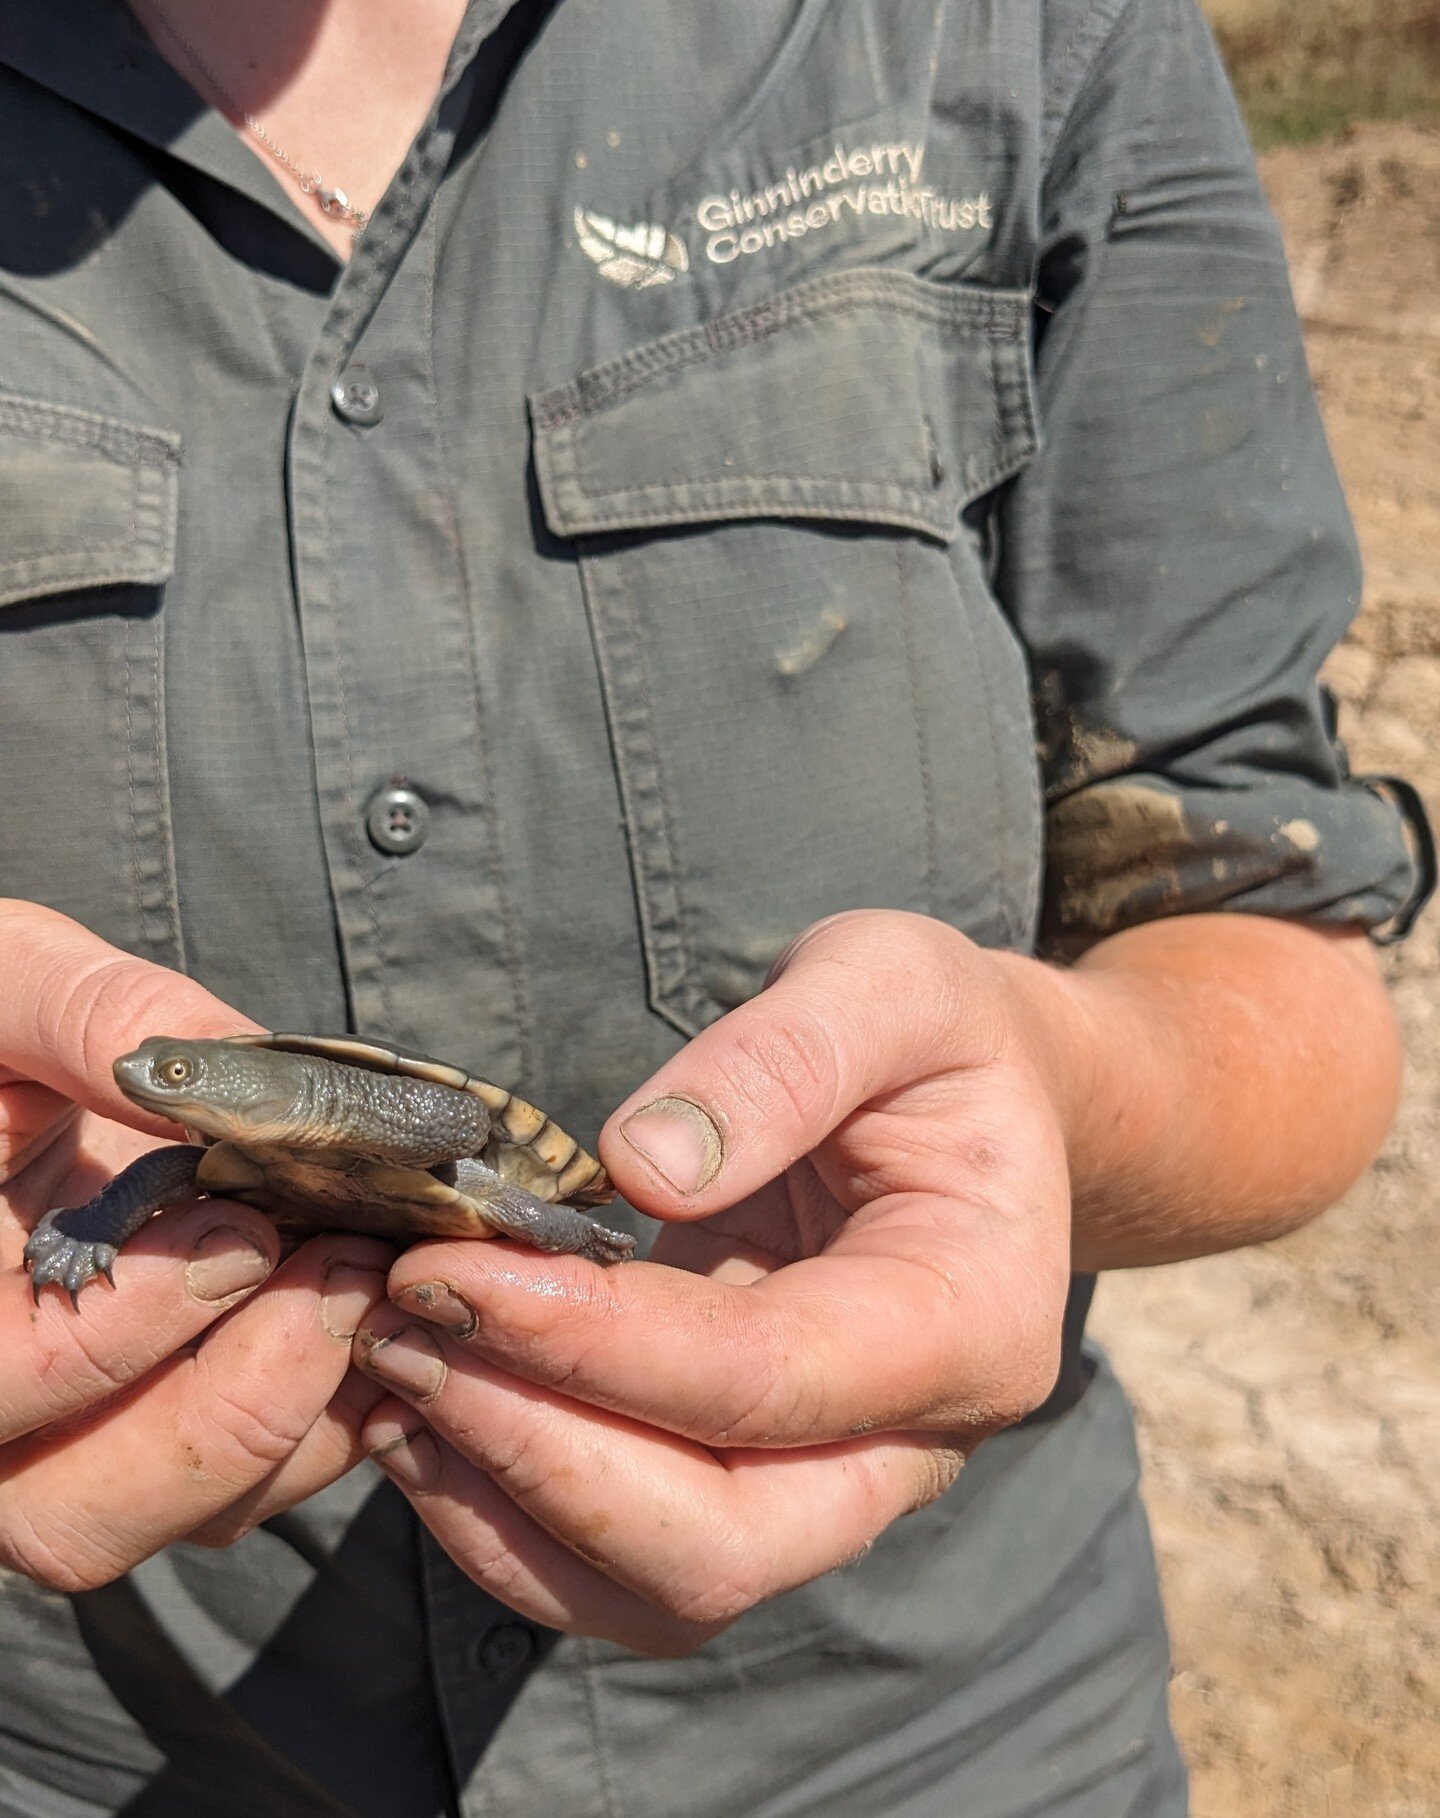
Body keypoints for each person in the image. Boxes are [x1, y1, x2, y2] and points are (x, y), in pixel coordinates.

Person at [0, 0, 1430, 1813]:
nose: (185, 1101)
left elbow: (1268, 926)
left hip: (929, 1745)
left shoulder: (1019, 38)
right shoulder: (206, 1132)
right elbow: (174, 1144)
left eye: (205, 1090)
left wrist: (1054, 1083)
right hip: (118, 1749)